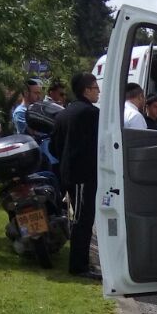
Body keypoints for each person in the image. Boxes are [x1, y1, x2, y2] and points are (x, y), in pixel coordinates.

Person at [50, 72, 101, 278]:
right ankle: (79, 266)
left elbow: (54, 147)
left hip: (68, 174)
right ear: (86, 90)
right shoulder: (91, 114)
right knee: (83, 219)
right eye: (96, 88)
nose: (98, 91)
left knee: (76, 217)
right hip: (83, 176)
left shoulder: (64, 113)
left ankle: (80, 260)